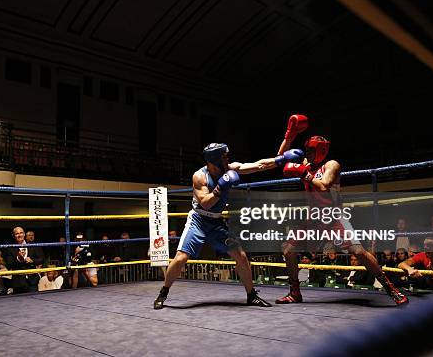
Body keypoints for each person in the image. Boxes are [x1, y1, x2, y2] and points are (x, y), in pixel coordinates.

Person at [153, 141, 304, 309]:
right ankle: (163, 293)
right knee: (181, 258)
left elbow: (258, 165)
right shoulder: (200, 176)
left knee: (241, 256)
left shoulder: (230, 169)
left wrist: (280, 159)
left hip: (217, 222)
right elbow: (205, 203)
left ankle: (251, 296)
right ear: (215, 159)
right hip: (199, 221)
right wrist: (220, 186)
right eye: (224, 156)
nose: (228, 158)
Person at [276, 115, 408, 305]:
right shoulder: (307, 165)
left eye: (311, 150)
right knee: (288, 249)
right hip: (314, 217)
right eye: (307, 150)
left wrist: (302, 173)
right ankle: (295, 292)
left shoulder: (332, 165)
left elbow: (324, 186)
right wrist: (290, 136)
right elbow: (281, 159)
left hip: (333, 217)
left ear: (321, 150)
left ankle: (391, 289)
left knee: (359, 252)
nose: (307, 152)